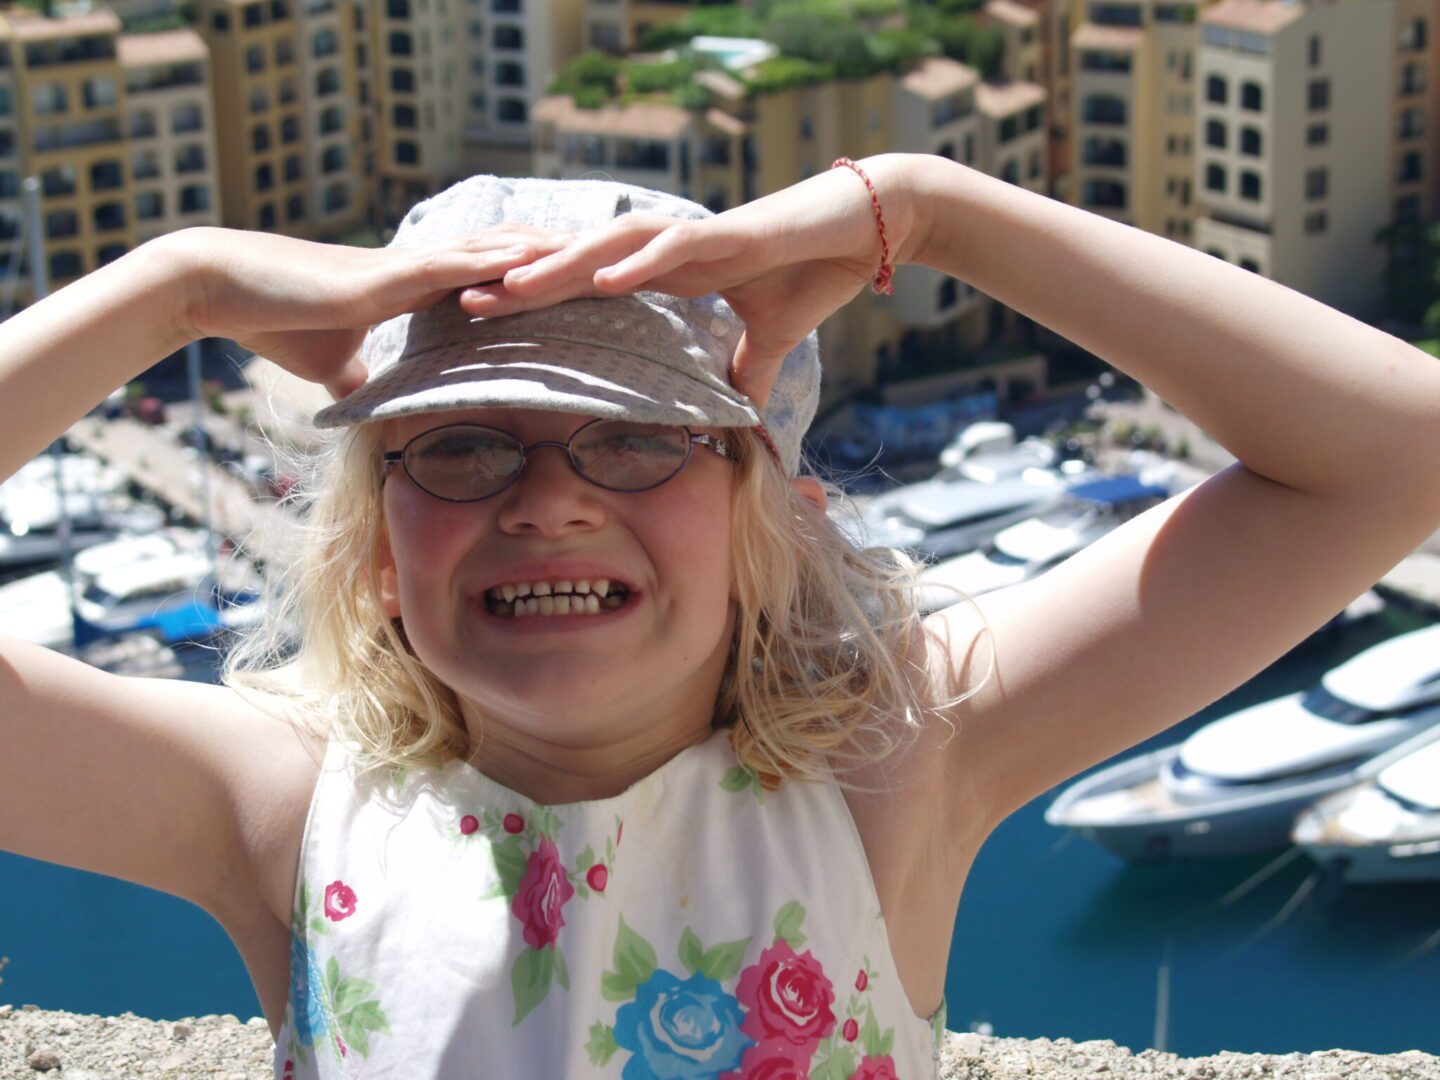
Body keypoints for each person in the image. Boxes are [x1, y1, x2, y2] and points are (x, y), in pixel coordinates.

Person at [0, 152, 1436, 1080]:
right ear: (377, 543)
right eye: (458, 444)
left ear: (760, 520)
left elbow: (1396, 456)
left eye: (637, 439)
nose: (548, 499)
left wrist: (933, 210)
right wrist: (170, 284)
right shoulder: (290, 807)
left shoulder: (896, 763)